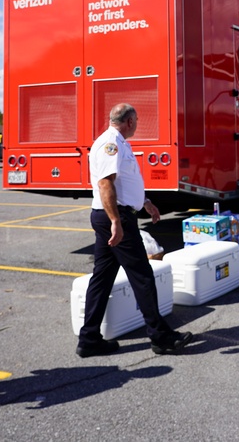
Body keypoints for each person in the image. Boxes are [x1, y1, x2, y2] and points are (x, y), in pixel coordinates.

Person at [77, 103, 193, 358]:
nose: (138, 125)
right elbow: (106, 184)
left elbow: (124, 183)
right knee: (142, 276)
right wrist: (116, 221)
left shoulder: (118, 142)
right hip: (115, 218)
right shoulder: (111, 144)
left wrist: (145, 203)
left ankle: (89, 339)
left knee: (102, 279)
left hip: (113, 215)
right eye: (137, 120)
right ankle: (160, 337)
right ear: (129, 121)